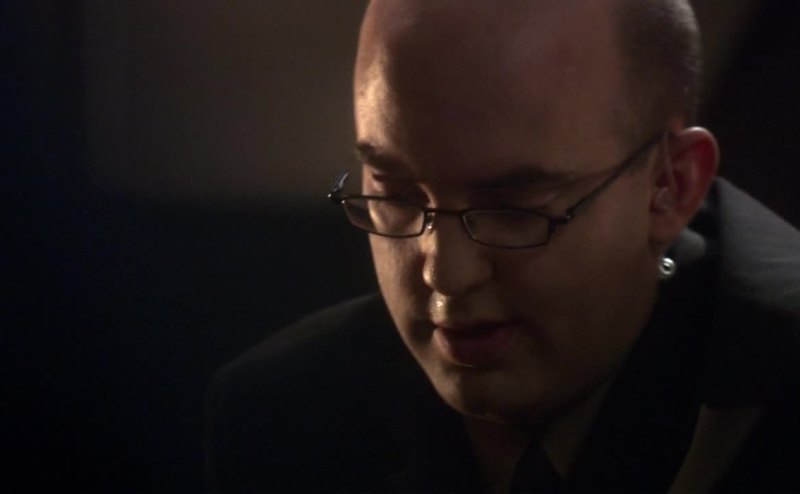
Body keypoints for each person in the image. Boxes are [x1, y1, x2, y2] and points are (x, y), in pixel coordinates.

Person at [205, 0, 800, 492]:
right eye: (396, 192)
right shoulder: (283, 417)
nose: (447, 276)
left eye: (513, 209)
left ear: (670, 185)